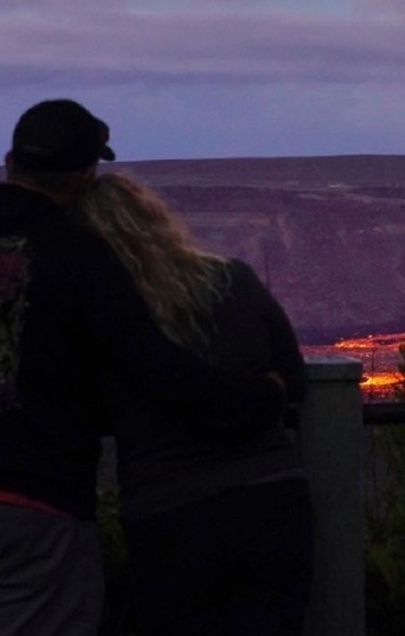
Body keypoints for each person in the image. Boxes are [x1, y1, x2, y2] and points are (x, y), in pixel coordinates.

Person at [0, 99, 286, 636]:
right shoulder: (75, 252)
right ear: (86, 175)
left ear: (9, 160)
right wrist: (262, 397)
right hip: (37, 502)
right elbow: (157, 368)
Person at [77, 172, 312, 636]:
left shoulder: (102, 319)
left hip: (169, 516)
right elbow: (295, 379)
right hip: (271, 501)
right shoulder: (233, 280)